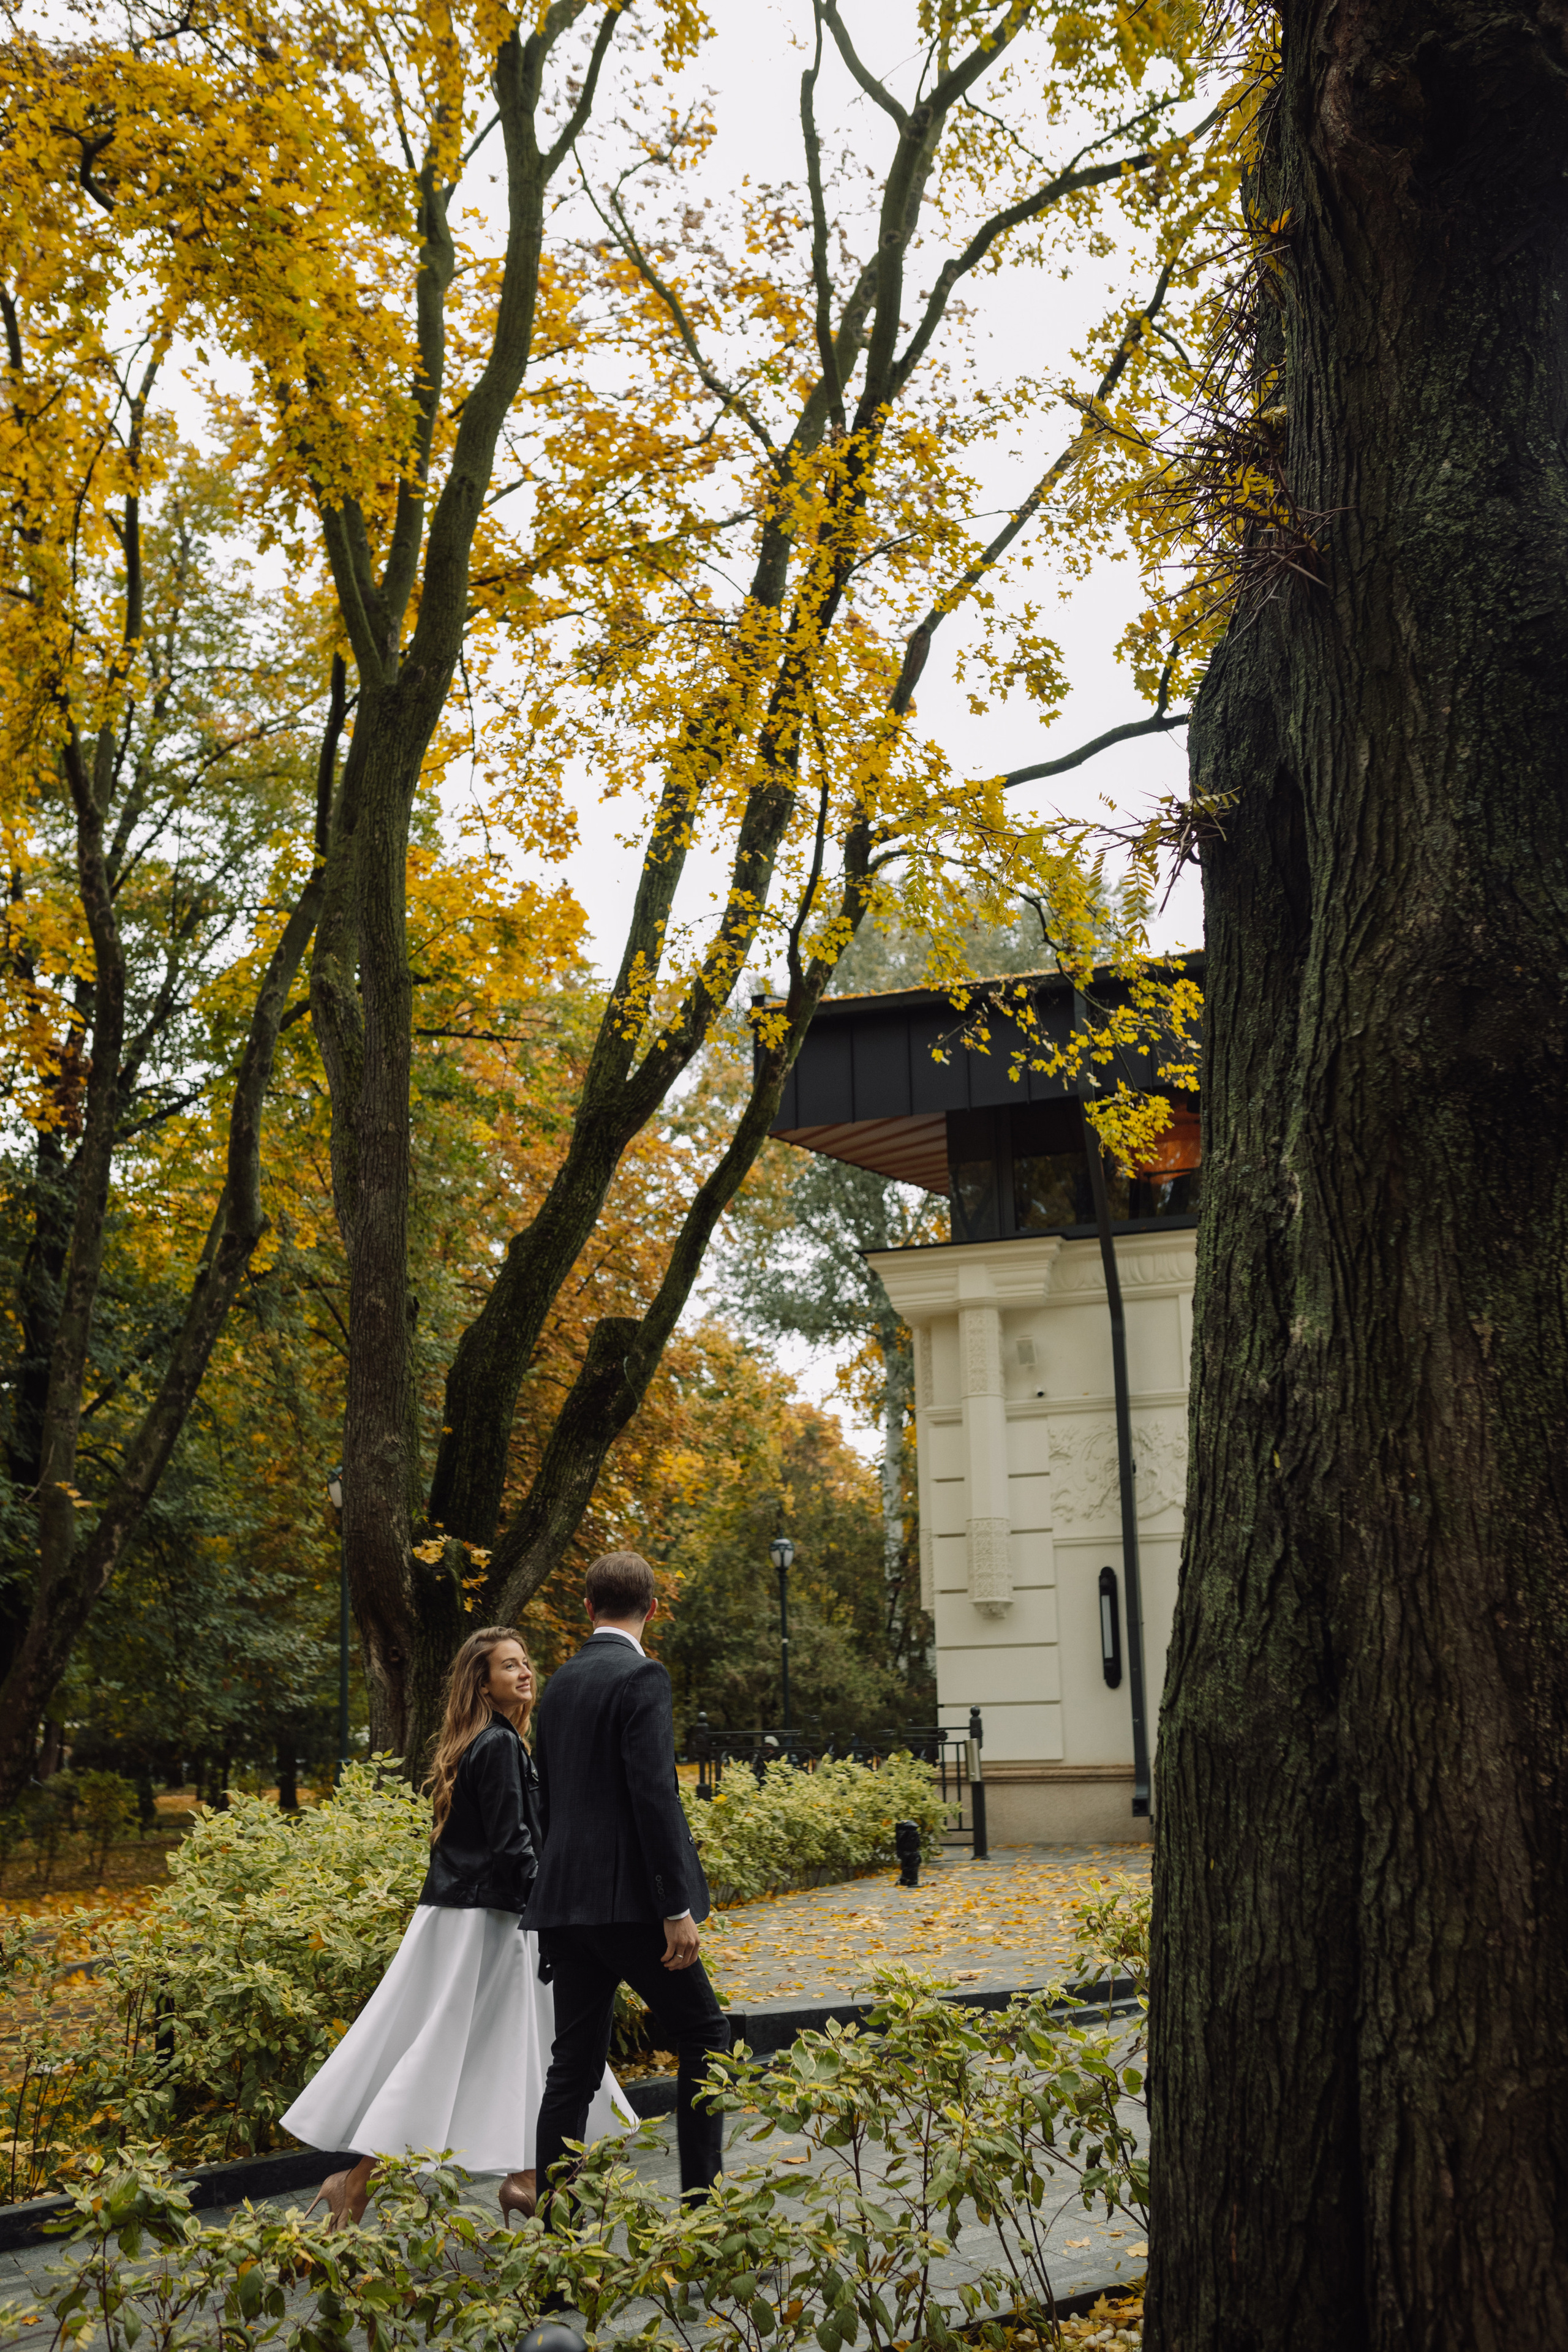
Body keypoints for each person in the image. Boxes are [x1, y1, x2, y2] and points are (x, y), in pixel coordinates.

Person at [279, 1625, 631, 2230]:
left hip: (483, 1917)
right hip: (487, 1923)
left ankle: (521, 2177)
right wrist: (558, 1915)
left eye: (526, 1662)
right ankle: (361, 2181)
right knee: (453, 2052)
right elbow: (513, 1848)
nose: (525, 1673)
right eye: (509, 1666)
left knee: (504, 2045)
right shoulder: (496, 1747)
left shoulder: (499, 1742)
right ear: (483, 1683)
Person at [527, 1551, 729, 2214]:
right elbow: (654, 1797)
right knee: (705, 2035)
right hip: (632, 1910)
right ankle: (704, 2214)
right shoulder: (641, 1677)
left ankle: (558, 2233)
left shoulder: (557, 1684)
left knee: (572, 2069)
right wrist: (674, 1907)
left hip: (565, 1906)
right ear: (653, 1609)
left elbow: (547, 1802)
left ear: (587, 1608)